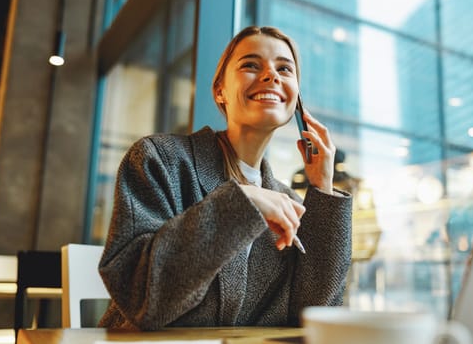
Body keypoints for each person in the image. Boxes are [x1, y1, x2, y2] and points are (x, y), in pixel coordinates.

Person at [98, 25, 352, 330]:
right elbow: (141, 298)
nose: (272, 75)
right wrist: (239, 205)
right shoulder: (158, 159)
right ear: (220, 90)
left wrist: (322, 189)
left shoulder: (287, 203)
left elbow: (314, 315)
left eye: (285, 68)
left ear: (296, 99)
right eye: (250, 65)